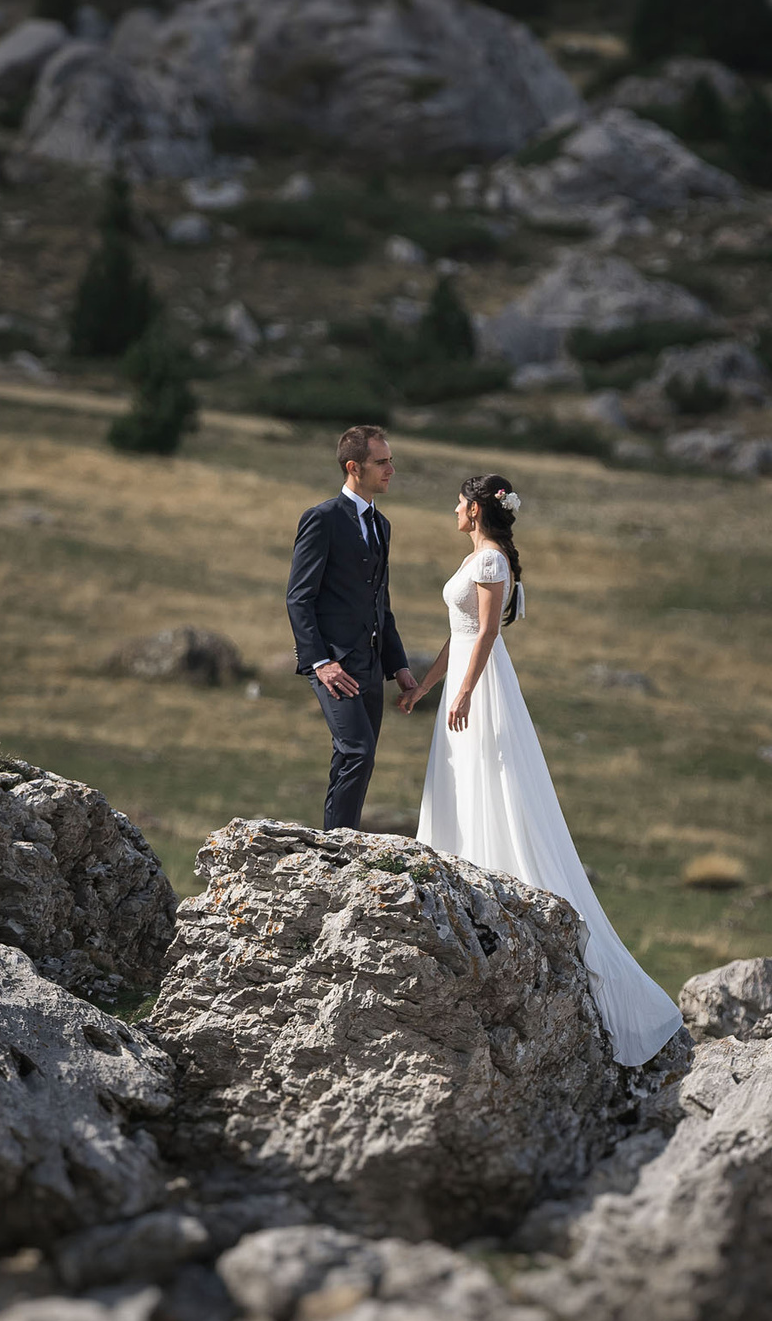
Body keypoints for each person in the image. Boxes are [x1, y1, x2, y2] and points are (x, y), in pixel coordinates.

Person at [400, 473, 681, 1066]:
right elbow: (461, 634)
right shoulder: (478, 557)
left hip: (484, 687)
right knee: (462, 779)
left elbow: (488, 633)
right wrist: (428, 684)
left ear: (475, 509)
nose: (453, 509)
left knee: (491, 780)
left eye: (459, 502)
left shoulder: (492, 563)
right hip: (464, 682)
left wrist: (466, 691)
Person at [284, 425, 418, 832]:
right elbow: (298, 597)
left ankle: (337, 840)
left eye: (390, 460)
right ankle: (338, 847)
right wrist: (320, 662)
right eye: (382, 462)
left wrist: (398, 666)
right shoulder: (322, 519)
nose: (391, 469)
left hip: (371, 664)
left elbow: (382, 602)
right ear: (353, 467)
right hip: (333, 665)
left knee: (356, 754)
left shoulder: (383, 525)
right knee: (358, 750)